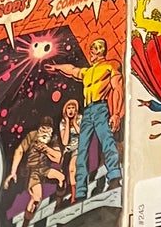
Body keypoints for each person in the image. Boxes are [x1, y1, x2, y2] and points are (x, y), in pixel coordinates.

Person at [50, 37, 123, 198]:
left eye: (93, 50)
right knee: (82, 150)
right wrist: (57, 67)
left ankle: (114, 176)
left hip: (100, 108)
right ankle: (81, 191)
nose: (90, 53)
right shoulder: (88, 72)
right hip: (87, 111)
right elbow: (72, 70)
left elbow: (117, 89)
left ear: (99, 50)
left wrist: (116, 113)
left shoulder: (109, 67)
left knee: (107, 142)